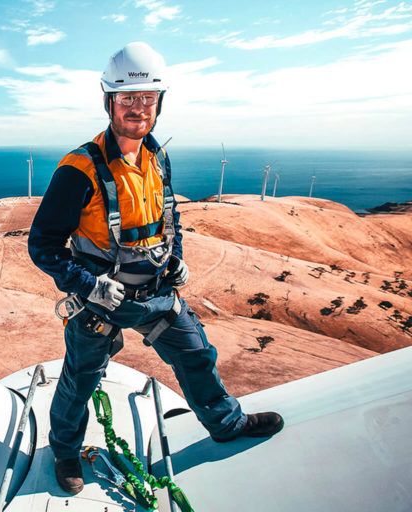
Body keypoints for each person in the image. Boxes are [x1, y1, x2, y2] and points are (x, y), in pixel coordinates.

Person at [28, 42, 284, 495]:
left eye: (147, 98)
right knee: (80, 381)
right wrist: (89, 287)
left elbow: (169, 218)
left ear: (159, 103)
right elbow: (43, 245)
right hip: (100, 306)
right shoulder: (79, 169)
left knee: (196, 354)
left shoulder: (157, 158)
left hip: (156, 295)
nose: (138, 108)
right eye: (128, 99)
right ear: (109, 102)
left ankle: (226, 423)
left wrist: (177, 257)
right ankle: (65, 451)